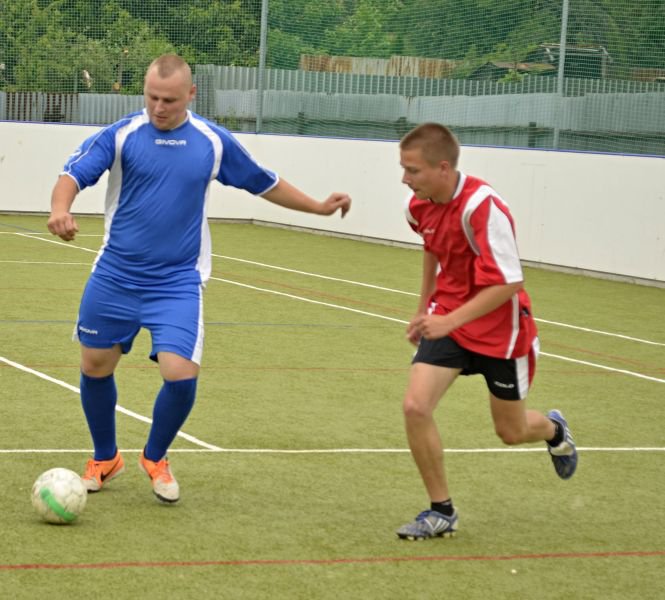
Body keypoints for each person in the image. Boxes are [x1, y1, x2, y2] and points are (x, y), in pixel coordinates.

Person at [47, 54, 351, 504]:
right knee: (95, 366)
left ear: (191, 94)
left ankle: (155, 457)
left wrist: (319, 207)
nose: (159, 107)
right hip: (116, 275)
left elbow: (263, 182)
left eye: (169, 100)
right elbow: (72, 174)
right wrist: (60, 209)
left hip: (177, 281)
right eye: (152, 97)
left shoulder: (212, 141)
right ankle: (105, 457)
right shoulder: (123, 135)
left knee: (180, 374)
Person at [395, 123, 577, 540]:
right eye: (403, 169)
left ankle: (554, 430)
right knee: (415, 407)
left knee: (511, 432)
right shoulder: (417, 206)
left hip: (501, 331)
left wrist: (448, 320)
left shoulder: (483, 207)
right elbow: (432, 248)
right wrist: (424, 307)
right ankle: (442, 511)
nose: (405, 178)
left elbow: (509, 282)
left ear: (443, 168)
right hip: (449, 319)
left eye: (413, 170)